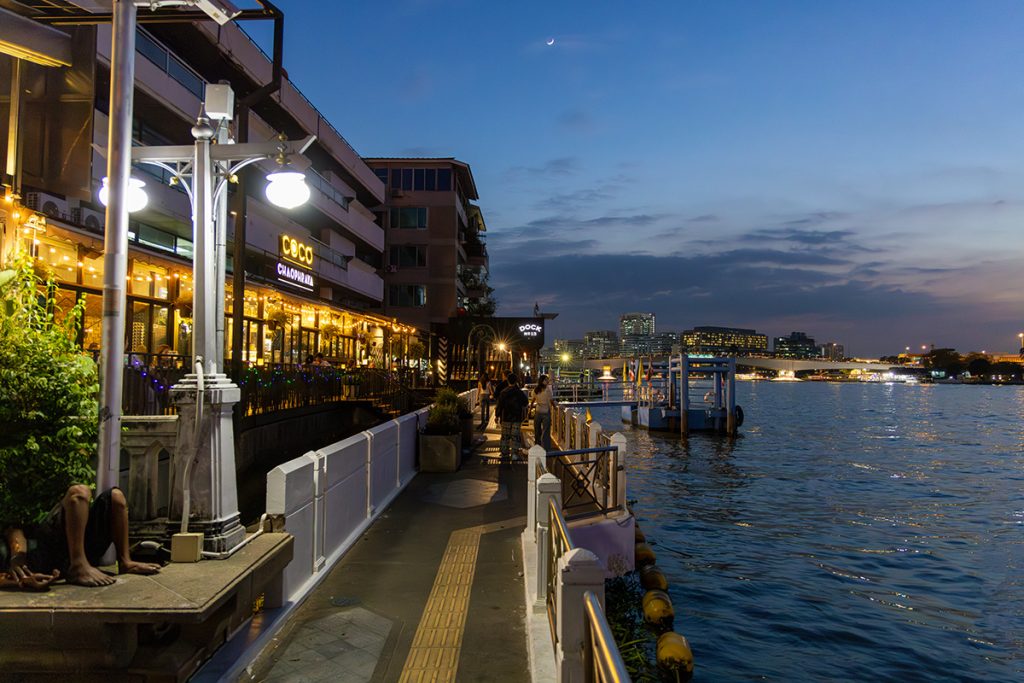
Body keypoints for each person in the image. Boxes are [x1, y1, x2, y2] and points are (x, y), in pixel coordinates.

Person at [1, 485, 161, 589]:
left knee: (113, 496)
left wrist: (18, 557)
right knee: (79, 493)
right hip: (42, 567)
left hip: (50, 548)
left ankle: (124, 561)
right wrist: (20, 582)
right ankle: (77, 566)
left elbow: (14, 531)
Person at [496, 373, 528, 461]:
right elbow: (525, 403)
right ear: (516, 381)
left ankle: (504, 453)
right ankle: (514, 454)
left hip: (505, 417)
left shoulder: (503, 392)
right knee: (515, 436)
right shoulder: (519, 392)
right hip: (516, 417)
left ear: (507, 381)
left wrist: (497, 415)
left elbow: (500, 405)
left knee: (505, 436)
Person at [531, 374, 554, 450]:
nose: (547, 381)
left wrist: (530, 409)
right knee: (546, 431)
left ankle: (537, 446)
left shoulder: (536, 389)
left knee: (537, 430)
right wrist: (555, 407)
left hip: (538, 411)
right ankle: (546, 448)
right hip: (546, 412)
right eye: (546, 380)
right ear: (542, 381)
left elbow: (533, 400)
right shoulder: (548, 390)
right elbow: (551, 401)